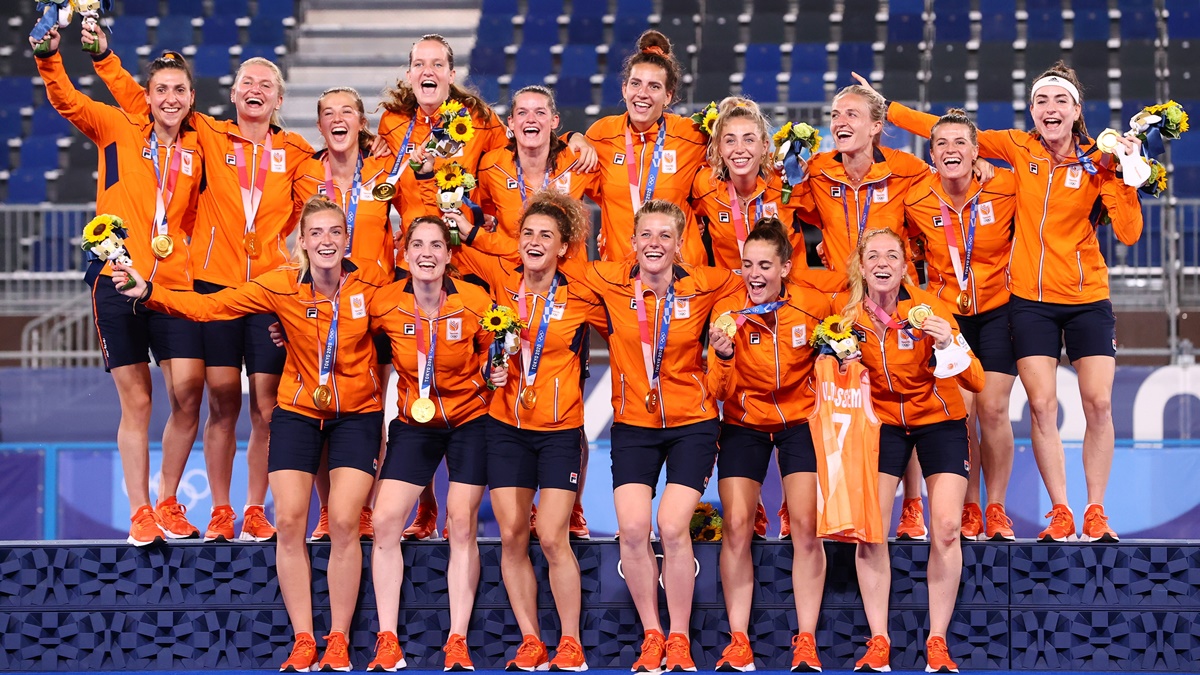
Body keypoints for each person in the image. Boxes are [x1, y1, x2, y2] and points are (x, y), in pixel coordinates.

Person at [873, 63, 1144, 542]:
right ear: (1033, 111)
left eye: (1060, 101)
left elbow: (1128, 232)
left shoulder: (1098, 162)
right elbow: (944, 133)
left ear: (1076, 110)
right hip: (1029, 301)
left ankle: (1096, 510)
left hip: (1087, 297)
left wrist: (1125, 174)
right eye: (1041, 101)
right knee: (1040, 407)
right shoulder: (1017, 148)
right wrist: (887, 108)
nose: (1050, 109)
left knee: (1098, 403)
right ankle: (1060, 510)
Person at [113, 197, 384, 672]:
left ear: (346, 240)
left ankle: (338, 638)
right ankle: (304, 638)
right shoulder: (279, 285)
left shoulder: (371, 286)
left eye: (334, 232)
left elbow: (415, 324)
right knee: (293, 521)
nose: (325, 241)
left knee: (343, 522)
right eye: (315, 233)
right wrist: (150, 291)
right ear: (302, 242)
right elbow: (209, 306)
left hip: (357, 414)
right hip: (298, 411)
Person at [88, 25, 316, 543]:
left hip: (267, 293)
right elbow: (141, 100)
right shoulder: (207, 135)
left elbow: (320, 206)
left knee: (266, 405)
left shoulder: (299, 152)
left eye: (267, 84)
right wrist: (104, 57)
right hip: (210, 289)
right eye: (247, 82)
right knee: (218, 399)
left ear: (279, 98)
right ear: (234, 94)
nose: (256, 89)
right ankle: (217, 508)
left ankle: (256, 507)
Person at [376, 34, 593, 540]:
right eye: (418, 63)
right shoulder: (390, 126)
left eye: (437, 63)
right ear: (409, 73)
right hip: (421, 264)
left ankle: (569, 505)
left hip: (492, 271)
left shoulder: (484, 128)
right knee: (421, 383)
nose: (427, 70)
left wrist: (577, 141)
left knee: (545, 390)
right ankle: (427, 505)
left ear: (452, 73)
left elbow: (533, 144)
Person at [35, 27, 206, 545]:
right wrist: (48, 58)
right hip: (115, 279)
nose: (170, 98)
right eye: (162, 90)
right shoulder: (115, 126)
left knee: (189, 393)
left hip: (173, 287)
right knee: (137, 403)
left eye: (180, 90)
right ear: (147, 96)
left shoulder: (202, 148)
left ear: (191, 98)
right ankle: (140, 511)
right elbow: (66, 99)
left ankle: (170, 499)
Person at [568, 200, 743, 673]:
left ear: (679, 244)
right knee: (631, 530)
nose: (655, 244)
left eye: (665, 236)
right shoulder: (608, 283)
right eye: (647, 235)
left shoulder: (704, 285)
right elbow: (558, 270)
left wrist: (726, 332)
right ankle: (653, 634)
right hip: (633, 426)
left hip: (693, 423)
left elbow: (742, 282)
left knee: (671, 526)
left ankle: (681, 637)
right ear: (632, 242)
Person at [443, 191, 605, 672]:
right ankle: (532, 638)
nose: (535, 243)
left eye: (546, 236)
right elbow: (445, 246)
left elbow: (635, 319)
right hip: (505, 426)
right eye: (528, 234)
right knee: (513, 534)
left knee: (553, 536)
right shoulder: (498, 277)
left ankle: (571, 641)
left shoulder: (582, 296)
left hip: (559, 431)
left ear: (563, 247)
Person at [787, 82, 939, 541]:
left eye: (852, 114)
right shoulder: (817, 172)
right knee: (835, 400)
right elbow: (794, 213)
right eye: (835, 114)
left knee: (904, 398)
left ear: (877, 127)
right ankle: (828, 498)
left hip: (895, 302)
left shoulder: (908, 171)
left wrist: (985, 175)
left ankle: (912, 505)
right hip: (842, 305)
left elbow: (946, 187)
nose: (840, 122)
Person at [836, 227, 983, 674]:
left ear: (905, 266)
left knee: (945, 528)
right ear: (861, 266)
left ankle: (937, 642)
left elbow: (975, 379)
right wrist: (838, 366)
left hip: (939, 422)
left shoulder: (929, 310)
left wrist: (946, 344)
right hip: (883, 428)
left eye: (891, 256)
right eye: (873, 256)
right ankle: (879, 640)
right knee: (870, 532)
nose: (882, 263)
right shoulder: (845, 321)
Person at [366, 217, 505, 672]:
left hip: (471, 419)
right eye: (417, 245)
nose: (426, 253)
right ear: (403, 254)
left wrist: (493, 369)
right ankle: (387, 639)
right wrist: (283, 333)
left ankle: (457, 640)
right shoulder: (384, 302)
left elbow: (494, 345)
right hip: (415, 421)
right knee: (384, 520)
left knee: (461, 523)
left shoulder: (475, 299)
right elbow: (341, 330)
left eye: (436, 246)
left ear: (449, 255)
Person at [706, 217, 834, 672]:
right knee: (738, 525)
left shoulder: (814, 306)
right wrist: (722, 356)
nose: (754, 275)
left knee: (804, 525)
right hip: (744, 421)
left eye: (764, 265)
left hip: (799, 420)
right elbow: (716, 392)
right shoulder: (726, 314)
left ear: (785, 268)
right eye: (746, 265)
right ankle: (738, 640)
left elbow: (849, 317)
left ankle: (806, 640)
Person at [474, 85, 599, 539]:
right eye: (521, 112)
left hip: (569, 296)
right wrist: (503, 248)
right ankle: (523, 505)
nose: (530, 119)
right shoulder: (490, 166)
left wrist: (582, 140)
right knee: (508, 382)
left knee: (570, 402)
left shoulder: (577, 160)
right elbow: (480, 213)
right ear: (510, 125)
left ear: (554, 122)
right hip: (513, 287)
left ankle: (576, 504)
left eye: (540, 112)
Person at [901, 108, 1020, 541]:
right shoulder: (915, 198)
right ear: (931, 153)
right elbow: (898, 244)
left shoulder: (1004, 187)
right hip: (948, 317)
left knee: (993, 410)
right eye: (942, 144)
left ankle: (997, 507)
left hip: (1000, 311)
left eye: (960, 143)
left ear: (976, 151)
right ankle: (970, 507)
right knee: (961, 413)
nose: (951, 151)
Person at [293, 86, 401, 542]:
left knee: (370, 409)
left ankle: (361, 508)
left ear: (362, 124)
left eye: (348, 113)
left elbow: (417, 216)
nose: (339, 120)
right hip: (318, 305)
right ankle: (327, 509)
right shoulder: (301, 173)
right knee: (321, 405)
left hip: (373, 305)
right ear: (320, 126)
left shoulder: (384, 170)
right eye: (329, 114)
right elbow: (282, 229)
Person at [585, 30, 709, 265]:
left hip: (682, 272)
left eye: (654, 86)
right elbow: (558, 163)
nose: (642, 94)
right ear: (624, 89)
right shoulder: (601, 134)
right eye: (636, 84)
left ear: (668, 96)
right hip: (621, 274)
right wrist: (574, 137)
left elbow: (728, 170)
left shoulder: (692, 135)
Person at [691, 96, 807, 271]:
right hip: (731, 294)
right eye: (730, 140)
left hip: (788, 293)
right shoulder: (705, 185)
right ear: (719, 148)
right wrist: (695, 226)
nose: (739, 149)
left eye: (749, 140)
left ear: (765, 146)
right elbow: (685, 211)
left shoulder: (787, 181)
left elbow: (832, 218)